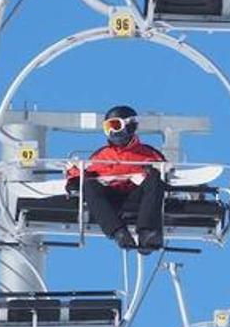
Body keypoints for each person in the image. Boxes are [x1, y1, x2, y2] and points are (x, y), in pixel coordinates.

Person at [64, 105, 167, 253]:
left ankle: (147, 233)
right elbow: (85, 174)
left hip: (136, 197)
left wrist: (149, 174)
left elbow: (165, 176)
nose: (112, 131)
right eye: (108, 127)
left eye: (115, 125)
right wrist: (74, 178)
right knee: (89, 185)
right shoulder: (102, 155)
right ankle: (118, 232)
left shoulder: (149, 154)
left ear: (130, 126)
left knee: (155, 178)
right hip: (111, 198)